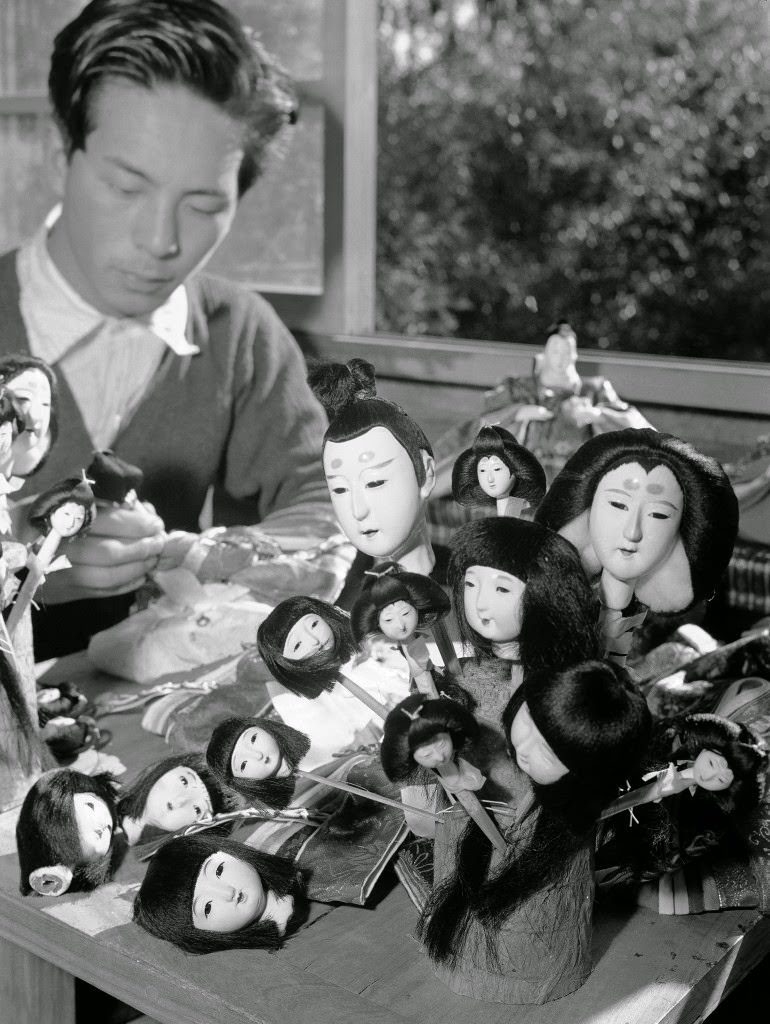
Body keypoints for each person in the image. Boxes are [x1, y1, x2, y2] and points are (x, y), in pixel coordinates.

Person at [0, 0, 333, 656]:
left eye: (204, 203)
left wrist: (196, 555)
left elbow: (337, 509)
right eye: (126, 188)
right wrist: (31, 560)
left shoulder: (239, 333)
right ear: (60, 151)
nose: (160, 242)